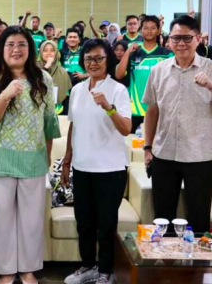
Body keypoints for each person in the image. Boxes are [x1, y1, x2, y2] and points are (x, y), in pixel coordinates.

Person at [0, 26, 61, 284]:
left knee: (32, 220)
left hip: (33, 160)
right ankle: (5, 271)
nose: (16, 49)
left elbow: (49, 120)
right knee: (2, 218)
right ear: (2, 49)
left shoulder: (43, 78)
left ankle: (27, 269)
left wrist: (47, 155)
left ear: (30, 49)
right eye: (10, 44)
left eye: (22, 44)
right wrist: (6, 94)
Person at [143, 15, 212, 234]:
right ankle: (164, 256)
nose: (181, 43)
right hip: (164, 153)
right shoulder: (158, 70)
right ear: (169, 41)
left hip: (199, 155)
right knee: (162, 218)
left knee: (198, 218)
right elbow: (152, 110)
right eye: (176, 38)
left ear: (198, 39)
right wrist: (147, 147)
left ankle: (196, 257)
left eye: (187, 38)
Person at [61, 39, 131, 284]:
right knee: (84, 222)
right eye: (88, 58)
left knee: (106, 224)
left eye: (99, 58)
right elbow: (73, 126)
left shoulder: (118, 90)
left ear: (108, 60)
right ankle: (88, 266)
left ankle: (106, 271)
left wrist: (109, 107)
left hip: (110, 169)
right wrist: (67, 160)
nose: (93, 63)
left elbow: (126, 128)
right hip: (82, 167)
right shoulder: (77, 90)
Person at [115, 15, 174, 133]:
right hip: (136, 110)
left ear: (159, 31)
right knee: (134, 143)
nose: (149, 31)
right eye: (146, 28)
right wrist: (127, 52)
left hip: (160, 109)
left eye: (153, 28)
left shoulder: (167, 54)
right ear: (141, 30)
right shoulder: (134, 53)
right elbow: (119, 75)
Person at [37, 40, 71, 115]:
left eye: (52, 50)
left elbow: (66, 97)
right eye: (45, 50)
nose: (48, 53)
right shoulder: (34, 68)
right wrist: (46, 67)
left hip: (58, 112)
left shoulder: (62, 72)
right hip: (37, 111)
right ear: (41, 52)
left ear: (56, 53)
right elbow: (35, 84)